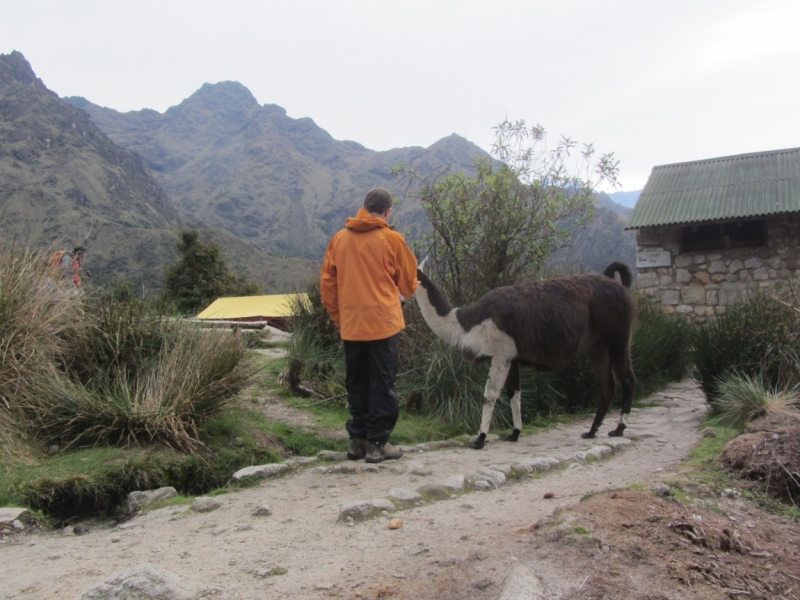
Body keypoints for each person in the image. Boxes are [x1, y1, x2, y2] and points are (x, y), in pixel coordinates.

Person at [320, 188, 418, 463]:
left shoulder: (339, 240)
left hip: (352, 326)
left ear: (364, 208)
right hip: (384, 325)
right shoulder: (392, 239)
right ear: (388, 211)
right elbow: (409, 286)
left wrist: (341, 319)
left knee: (357, 382)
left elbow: (327, 288)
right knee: (382, 383)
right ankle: (377, 443)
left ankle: (357, 441)